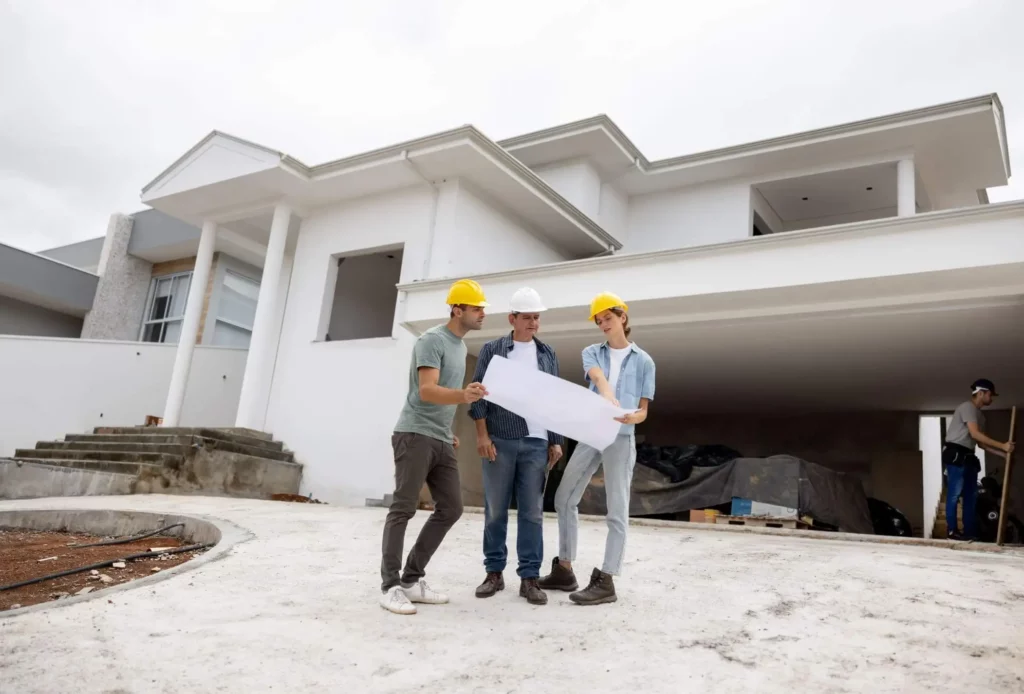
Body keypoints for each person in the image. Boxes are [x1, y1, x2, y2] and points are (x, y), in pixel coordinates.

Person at [379, 278, 490, 615]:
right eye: (476, 308)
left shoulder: (458, 346)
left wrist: (446, 430)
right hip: (414, 434)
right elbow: (426, 390)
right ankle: (390, 586)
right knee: (403, 508)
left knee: (451, 508)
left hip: (440, 437)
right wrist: (464, 395)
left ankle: (411, 580)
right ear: (457, 309)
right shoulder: (432, 340)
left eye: (482, 308)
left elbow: (439, 399)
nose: (482, 314)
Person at [540, 292, 655, 605]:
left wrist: (635, 416)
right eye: (599, 320)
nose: (603, 324)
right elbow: (597, 376)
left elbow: (644, 409)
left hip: (622, 436)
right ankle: (565, 568)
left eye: (608, 317)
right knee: (564, 498)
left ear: (623, 317)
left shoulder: (645, 361)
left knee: (616, 510)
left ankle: (606, 580)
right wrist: (606, 395)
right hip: (592, 430)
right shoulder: (592, 351)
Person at [469, 287, 565, 606]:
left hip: (537, 442)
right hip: (501, 438)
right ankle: (494, 573)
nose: (533, 323)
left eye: (537, 317)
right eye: (527, 317)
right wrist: (482, 436)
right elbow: (479, 393)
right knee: (496, 509)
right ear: (512, 318)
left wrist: (555, 439)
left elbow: (553, 398)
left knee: (533, 513)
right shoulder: (493, 349)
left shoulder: (547, 353)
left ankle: (529, 578)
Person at [943, 378, 1015, 541]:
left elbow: (981, 443)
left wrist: (1002, 454)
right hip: (956, 455)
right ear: (981, 393)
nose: (991, 398)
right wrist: (1003, 445)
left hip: (969, 456)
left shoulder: (980, 416)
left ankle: (970, 532)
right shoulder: (967, 407)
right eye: (990, 394)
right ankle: (952, 531)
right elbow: (975, 434)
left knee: (971, 497)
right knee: (954, 495)